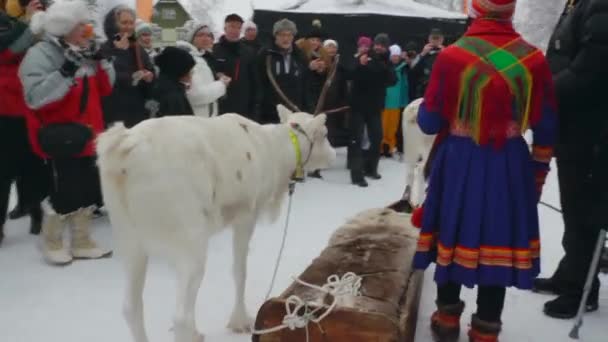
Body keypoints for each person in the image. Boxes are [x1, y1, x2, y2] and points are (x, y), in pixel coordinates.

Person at [411, 0, 557, 340]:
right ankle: (486, 326)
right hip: (509, 163)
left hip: (460, 160)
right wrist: (538, 173)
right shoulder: (532, 59)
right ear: (510, 13)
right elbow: (547, 127)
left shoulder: (452, 57)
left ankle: (447, 318)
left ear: (473, 13)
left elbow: (430, 123)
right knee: (499, 236)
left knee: (453, 228)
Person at [19, 0, 114, 265]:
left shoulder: (84, 50)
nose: (86, 30)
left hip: (90, 134)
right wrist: (66, 70)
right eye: (80, 26)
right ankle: (52, 241)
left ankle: (82, 241)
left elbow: (107, 89)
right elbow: (36, 98)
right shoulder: (40, 53)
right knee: (64, 190)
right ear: (65, 28)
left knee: (86, 189)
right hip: (61, 137)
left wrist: (102, 60)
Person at [533, 0, 608, 319]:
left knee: (584, 211)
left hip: (592, 131)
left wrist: (544, 91)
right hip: (575, 126)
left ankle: (581, 290)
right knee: (573, 207)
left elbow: (592, 69)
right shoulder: (581, 3)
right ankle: (570, 274)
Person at [0, 0, 47, 245]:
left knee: (32, 164)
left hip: (29, 105)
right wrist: (27, 24)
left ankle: (34, 209)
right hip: (5, 107)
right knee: (4, 170)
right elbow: (8, 50)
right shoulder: (10, 22)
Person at [348, 33, 396, 187]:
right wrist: (360, 64)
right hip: (358, 106)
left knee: (377, 137)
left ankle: (370, 168)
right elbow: (351, 74)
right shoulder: (363, 56)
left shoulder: (387, 62)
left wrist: (382, 67)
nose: (379, 47)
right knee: (357, 139)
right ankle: (356, 175)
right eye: (377, 44)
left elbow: (392, 80)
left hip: (375, 107)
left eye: (382, 45)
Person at [101, 5, 155, 128]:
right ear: (113, 24)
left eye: (131, 23)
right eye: (124, 22)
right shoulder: (104, 50)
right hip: (113, 115)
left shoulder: (137, 49)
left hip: (138, 113)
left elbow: (150, 71)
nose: (129, 27)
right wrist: (132, 77)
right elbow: (106, 80)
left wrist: (149, 77)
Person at [257, 18, 310, 124]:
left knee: (293, 140)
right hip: (270, 115)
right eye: (282, 35)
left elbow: (306, 85)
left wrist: (308, 110)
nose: (286, 38)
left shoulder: (300, 57)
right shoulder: (265, 55)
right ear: (275, 36)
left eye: (289, 35)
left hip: (294, 114)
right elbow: (258, 84)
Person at [176, 22, 230, 118]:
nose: (206, 38)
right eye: (200, 35)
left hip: (204, 120)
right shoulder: (188, 60)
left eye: (208, 35)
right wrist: (222, 84)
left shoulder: (200, 57)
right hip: (196, 122)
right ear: (190, 37)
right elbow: (196, 96)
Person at [213, 14, 258, 121]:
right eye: (232, 26)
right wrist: (217, 74)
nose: (235, 30)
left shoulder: (248, 52)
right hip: (220, 106)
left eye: (238, 27)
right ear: (225, 28)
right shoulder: (215, 50)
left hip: (243, 107)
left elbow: (255, 81)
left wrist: (255, 106)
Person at [152, 46, 196, 117]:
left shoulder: (162, 85)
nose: (191, 74)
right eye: (188, 70)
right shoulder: (173, 96)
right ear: (177, 70)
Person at [381, 44, 408, 158]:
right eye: (393, 55)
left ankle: (391, 147)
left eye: (397, 56)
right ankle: (381, 147)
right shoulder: (385, 67)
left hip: (396, 104)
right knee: (383, 126)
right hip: (385, 103)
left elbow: (404, 87)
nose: (395, 58)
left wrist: (403, 102)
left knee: (393, 127)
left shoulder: (403, 69)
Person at [410, 28, 444, 99]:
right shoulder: (423, 53)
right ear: (429, 39)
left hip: (440, 89)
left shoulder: (446, 52)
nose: (435, 41)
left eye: (437, 38)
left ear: (442, 39)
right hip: (424, 89)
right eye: (433, 38)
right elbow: (412, 68)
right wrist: (423, 54)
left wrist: (445, 53)